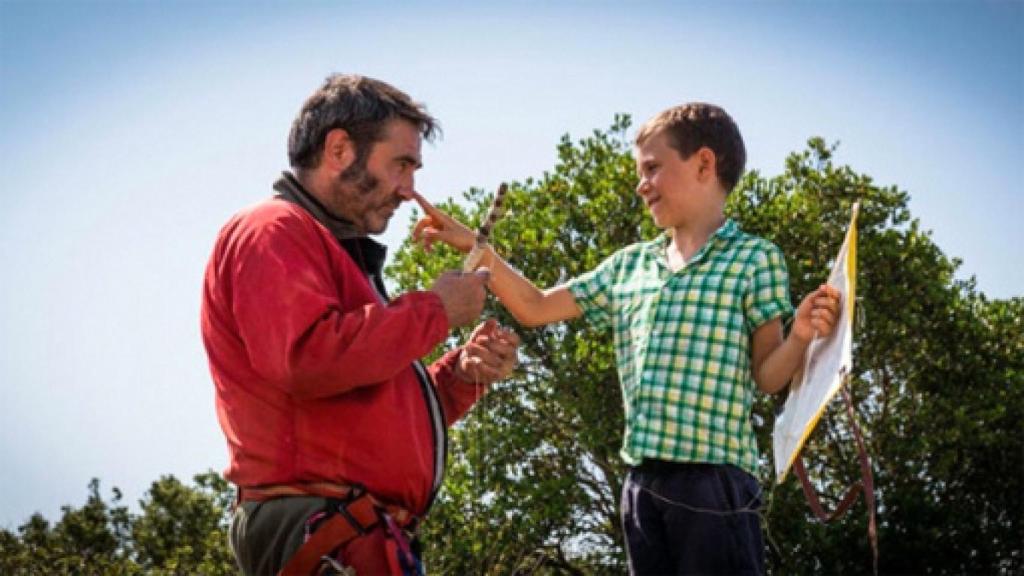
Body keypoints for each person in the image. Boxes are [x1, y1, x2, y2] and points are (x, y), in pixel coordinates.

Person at [412, 102, 841, 575]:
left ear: (704, 164)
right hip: (641, 486)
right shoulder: (629, 266)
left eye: (652, 168)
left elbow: (767, 376)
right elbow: (534, 306)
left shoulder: (754, 259)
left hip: (714, 483)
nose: (641, 184)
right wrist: (476, 246)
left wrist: (801, 337)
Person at [200, 74, 519, 575]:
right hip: (323, 525)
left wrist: (460, 376)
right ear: (339, 150)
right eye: (400, 164)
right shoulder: (272, 229)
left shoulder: (328, 248)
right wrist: (435, 311)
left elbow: (369, 401)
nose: (409, 190)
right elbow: (307, 359)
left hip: (349, 527)